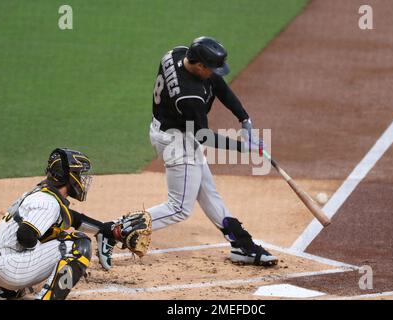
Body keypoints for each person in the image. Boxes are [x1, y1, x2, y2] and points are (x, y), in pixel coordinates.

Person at [100, 36, 278, 269]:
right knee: (179, 208)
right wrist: (243, 147)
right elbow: (202, 135)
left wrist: (244, 118)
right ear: (199, 66)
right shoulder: (189, 95)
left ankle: (241, 245)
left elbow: (218, 84)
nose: (215, 72)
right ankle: (112, 231)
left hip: (171, 129)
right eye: (211, 68)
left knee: (208, 192)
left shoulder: (176, 53)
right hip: (177, 141)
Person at [0, 148, 118, 300]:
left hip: (3, 264)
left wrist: (104, 229)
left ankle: (8, 292)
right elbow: (24, 235)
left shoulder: (41, 194)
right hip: (10, 269)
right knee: (79, 244)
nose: (81, 179)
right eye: (78, 174)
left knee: (52, 236)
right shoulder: (49, 203)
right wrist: (53, 237)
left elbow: (72, 217)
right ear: (67, 176)